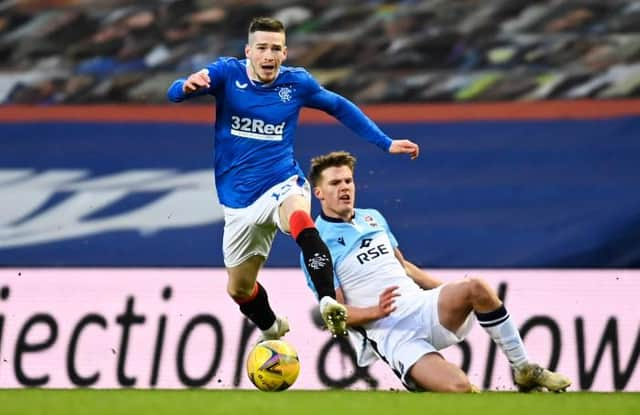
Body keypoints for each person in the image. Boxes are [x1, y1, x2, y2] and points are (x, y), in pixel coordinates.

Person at [166, 17, 419, 340]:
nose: (268, 55)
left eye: (275, 49)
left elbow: (339, 106)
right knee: (240, 289)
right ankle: (272, 327)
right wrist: (185, 86)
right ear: (248, 52)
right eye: (262, 48)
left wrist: (385, 142)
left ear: (285, 53)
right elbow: (174, 94)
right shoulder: (226, 73)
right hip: (238, 201)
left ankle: (328, 300)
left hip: (282, 181)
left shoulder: (296, 84)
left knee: (299, 216)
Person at [302, 150, 572, 392]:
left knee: (475, 287)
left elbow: (403, 266)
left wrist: (445, 290)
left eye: (348, 181)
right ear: (319, 193)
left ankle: (524, 369)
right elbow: (334, 315)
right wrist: (376, 312)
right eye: (335, 183)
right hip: (391, 333)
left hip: (421, 306)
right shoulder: (317, 245)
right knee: (460, 389)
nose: (344, 188)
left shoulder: (373, 217)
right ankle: (423, 380)